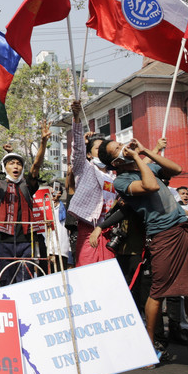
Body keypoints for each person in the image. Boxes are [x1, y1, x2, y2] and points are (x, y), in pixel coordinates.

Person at [97, 136, 188, 370]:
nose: (123, 147)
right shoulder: (122, 181)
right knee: (158, 291)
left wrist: (146, 150)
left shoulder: (145, 165)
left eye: (121, 144)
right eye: (118, 148)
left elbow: (176, 169)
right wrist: (138, 157)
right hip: (162, 236)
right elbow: (151, 186)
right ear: (114, 162)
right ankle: (148, 345)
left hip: (183, 230)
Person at [0, 124, 50, 286]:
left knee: (25, 280)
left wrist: (44, 142)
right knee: (4, 280)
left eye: (18, 163)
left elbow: (36, 166)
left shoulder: (27, 185)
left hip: (26, 240)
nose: (16, 166)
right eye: (11, 163)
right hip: (3, 241)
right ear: (5, 168)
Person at [67, 101, 116, 267]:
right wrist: (76, 117)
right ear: (89, 154)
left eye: (105, 148)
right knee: (87, 274)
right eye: (98, 148)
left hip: (110, 231)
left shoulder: (114, 176)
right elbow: (78, 150)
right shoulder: (85, 168)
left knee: (109, 275)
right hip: (89, 230)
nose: (102, 152)